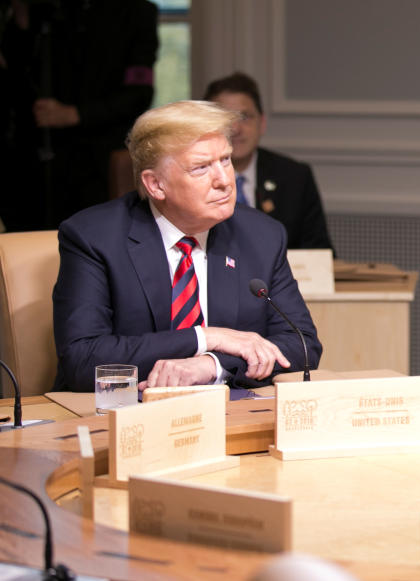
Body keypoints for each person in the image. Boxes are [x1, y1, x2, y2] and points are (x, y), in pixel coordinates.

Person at [52, 100, 322, 393]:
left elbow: (302, 345)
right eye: (201, 168)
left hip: (226, 414)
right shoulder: (94, 237)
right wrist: (205, 338)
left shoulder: (261, 235)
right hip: (122, 416)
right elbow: (82, 359)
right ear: (155, 184)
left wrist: (212, 364)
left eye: (226, 160)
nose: (224, 181)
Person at [0, 0, 158, 231]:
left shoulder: (136, 11)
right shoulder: (48, 9)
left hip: (99, 157)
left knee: (94, 233)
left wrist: (76, 115)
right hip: (37, 156)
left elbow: (139, 94)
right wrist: (22, 18)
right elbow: (17, 74)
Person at [202, 72, 335, 251]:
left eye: (244, 117)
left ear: (262, 123)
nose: (235, 128)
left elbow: (319, 253)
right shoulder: (194, 179)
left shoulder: (295, 177)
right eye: (225, 119)